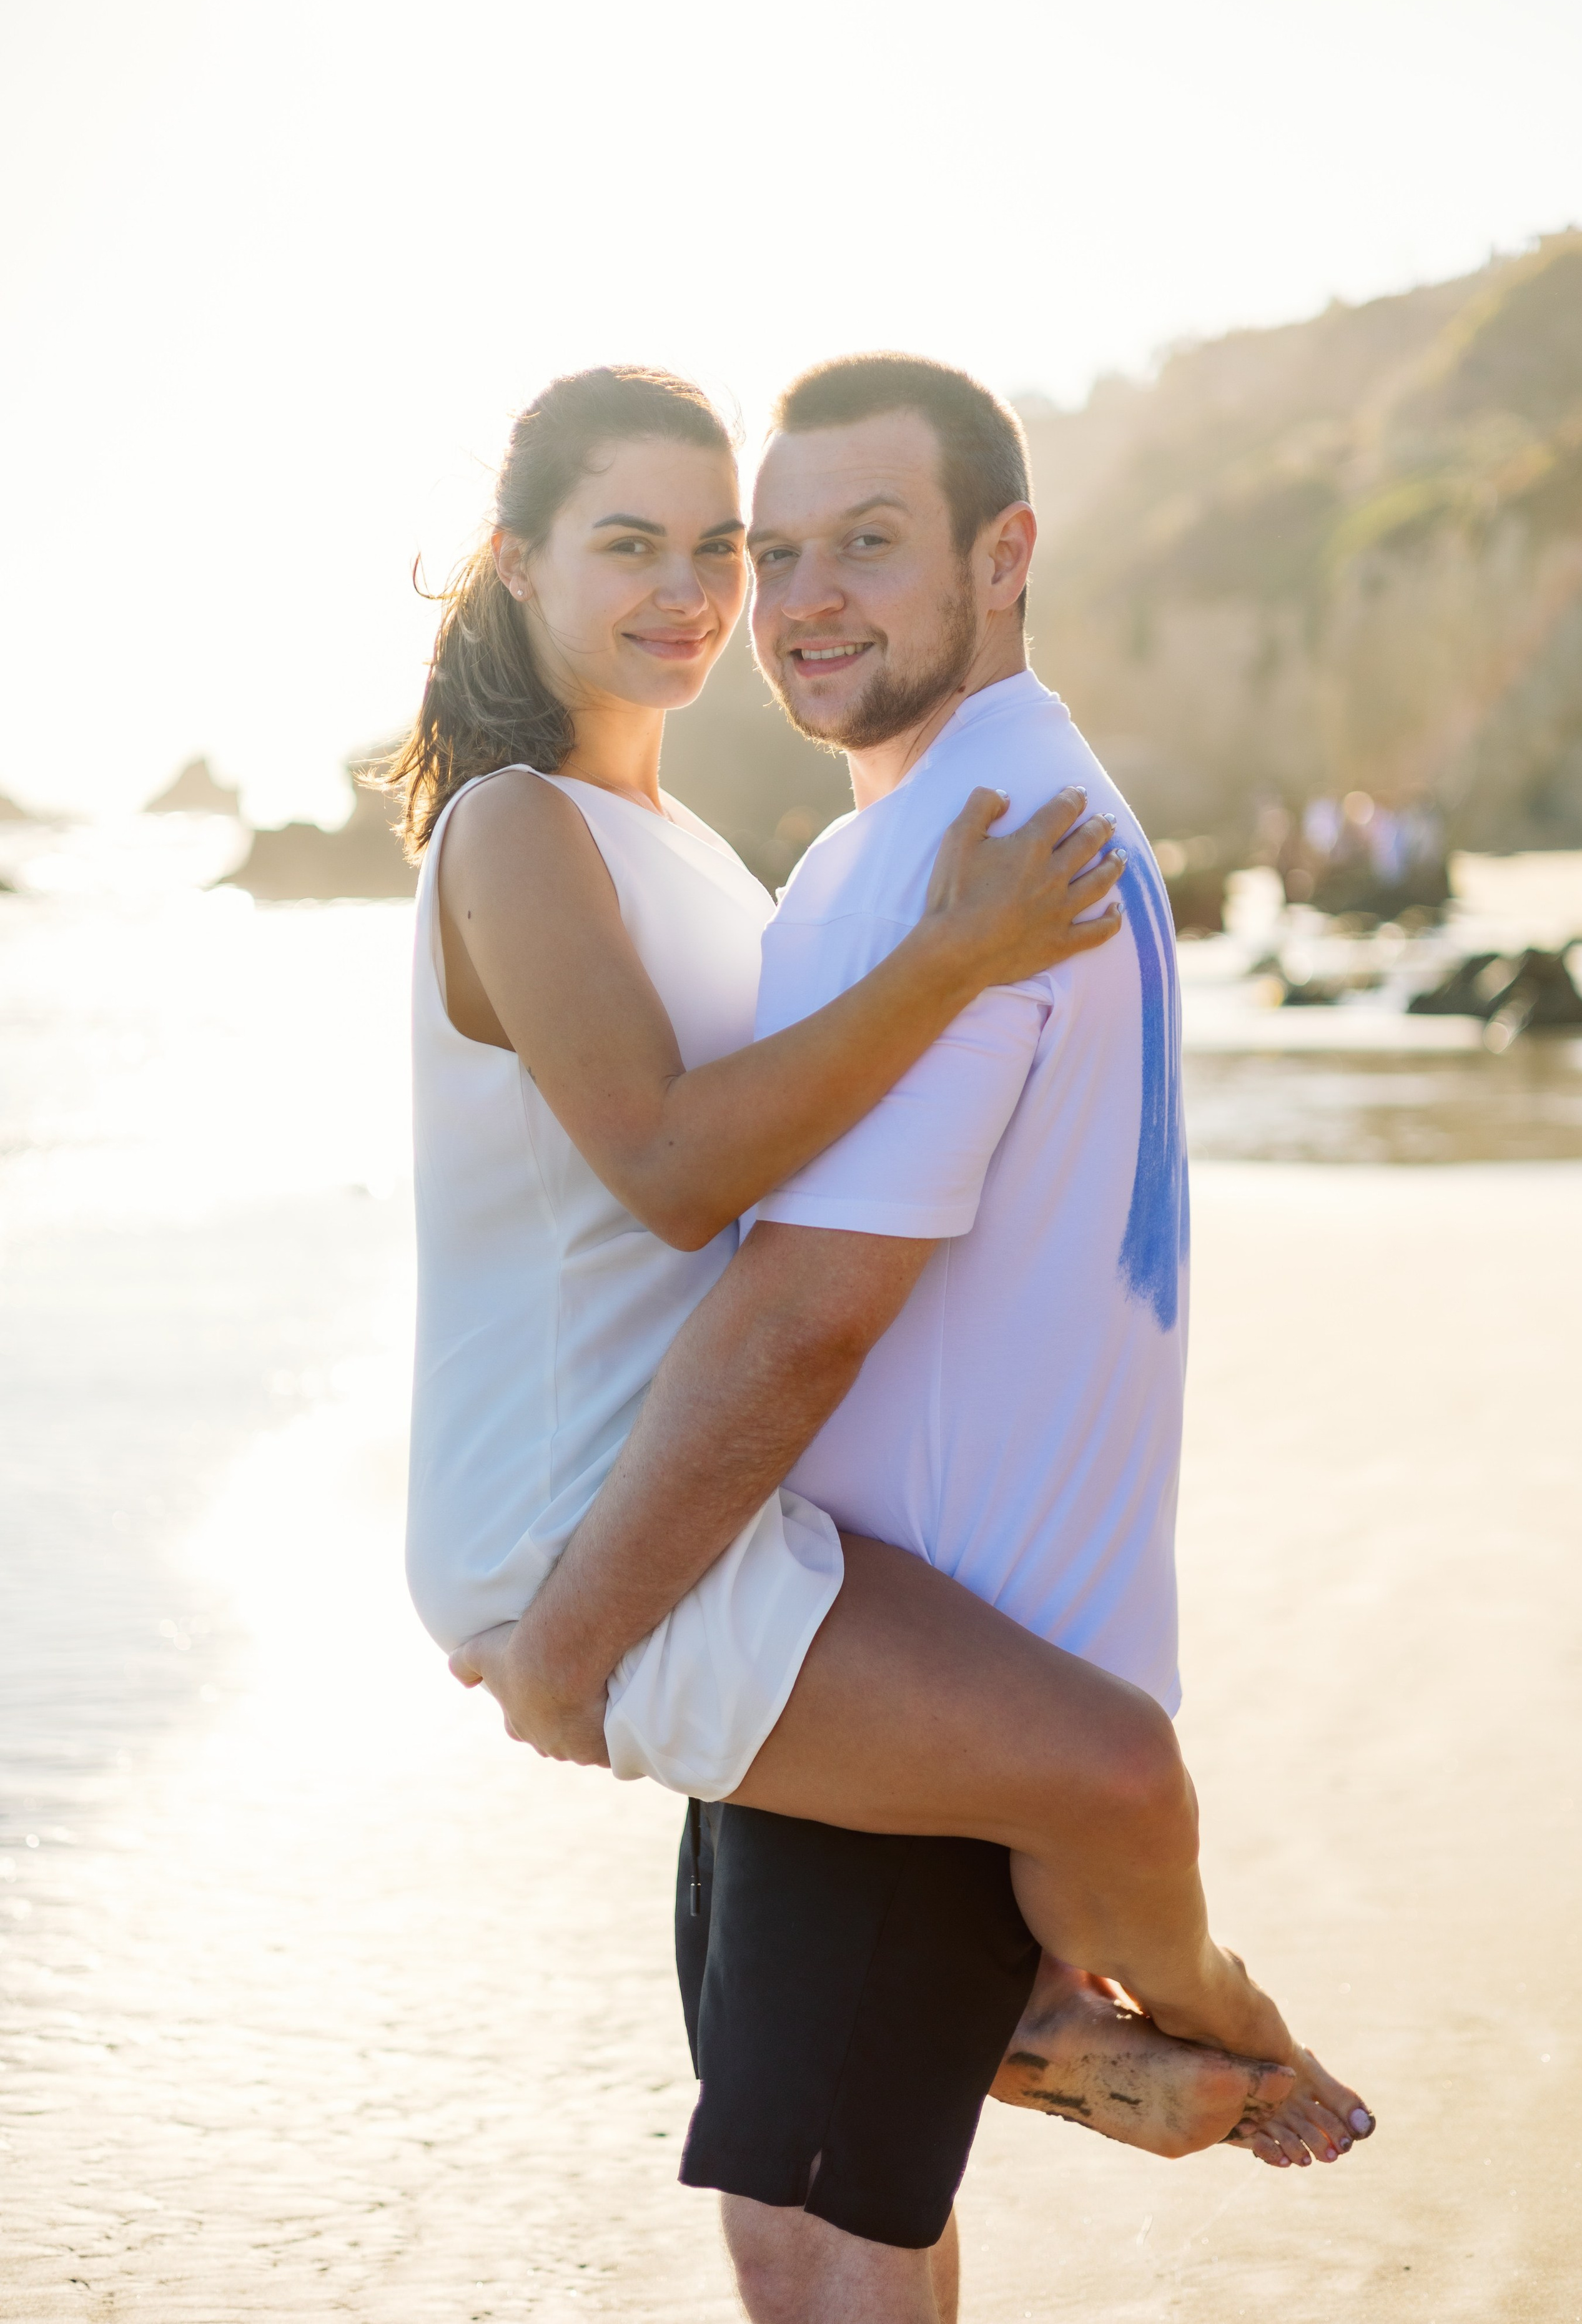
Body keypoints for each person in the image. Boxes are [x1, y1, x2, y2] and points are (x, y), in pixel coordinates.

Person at [442, 357, 1373, 2322]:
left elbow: (794, 1306)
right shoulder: (911, 852)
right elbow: (714, 1203)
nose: (785, 597)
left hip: (858, 1604)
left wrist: (584, 1647)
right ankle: (1047, 2024)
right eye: (766, 551)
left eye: (856, 543)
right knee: (802, 2171)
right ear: (518, 568)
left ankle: (1099, 2017)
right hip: (793, 1584)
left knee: (815, 2220)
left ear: (1005, 554)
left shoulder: (969, 847)